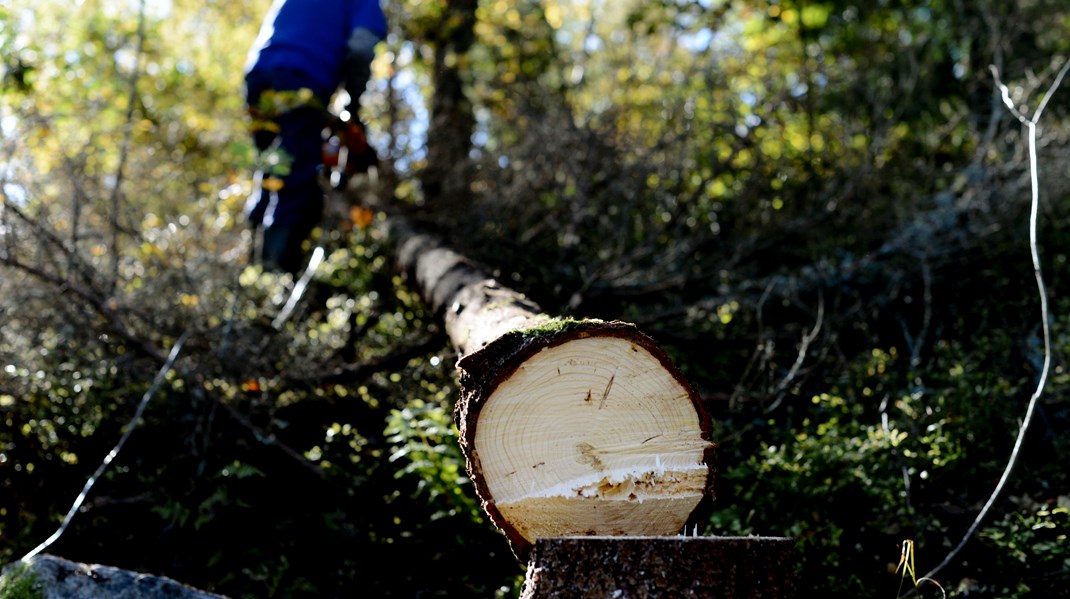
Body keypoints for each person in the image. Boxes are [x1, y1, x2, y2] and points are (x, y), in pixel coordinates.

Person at [243, 0, 387, 274]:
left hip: (259, 77)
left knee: (272, 170)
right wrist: (353, 103)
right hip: (303, 79)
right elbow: (361, 46)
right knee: (298, 183)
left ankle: (251, 268)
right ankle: (274, 276)